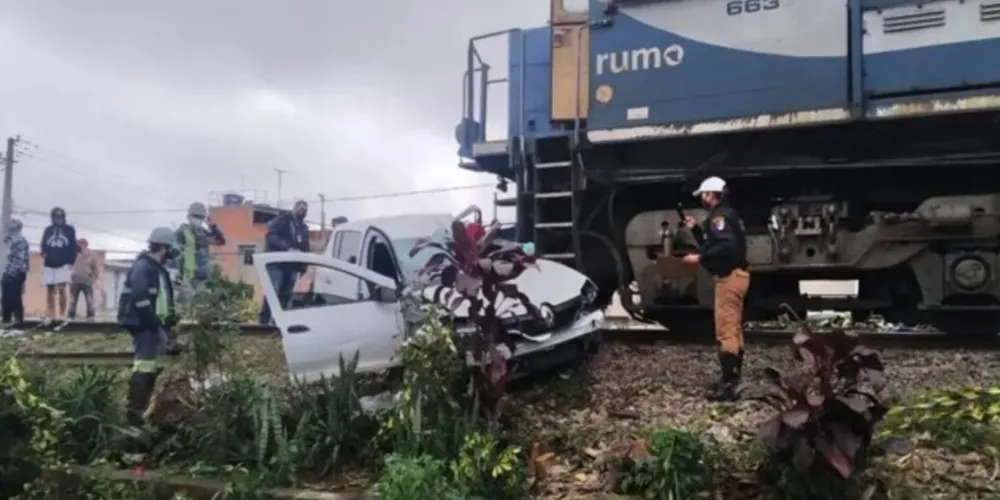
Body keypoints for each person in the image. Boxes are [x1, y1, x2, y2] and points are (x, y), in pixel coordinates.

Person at [680, 176, 750, 402]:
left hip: (729, 278)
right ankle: (733, 378)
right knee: (734, 328)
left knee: (726, 330)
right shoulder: (727, 215)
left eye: (703, 194)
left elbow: (726, 246)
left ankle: (728, 386)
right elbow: (718, 242)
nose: (702, 198)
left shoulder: (719, 217)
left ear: (711, 194)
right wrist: (697, 231)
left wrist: (699, 257)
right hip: (737, 275)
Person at [117, 227, 180, 426]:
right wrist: (153, 322)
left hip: (154, 324)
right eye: (170, 248)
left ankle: (143, 413)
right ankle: (135, 416)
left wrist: (168, 321)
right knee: (145, 366)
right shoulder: (144, 267)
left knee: (152, 366)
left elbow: (160, 297)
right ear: (163, 247)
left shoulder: (155, 268)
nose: (172, 252)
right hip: (145, 324)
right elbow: (140, 298)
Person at [258, 200, 310, 325]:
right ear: (294, 208)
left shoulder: (303, 228)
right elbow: (271, 236)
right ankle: (263, 323)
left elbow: (305, 247)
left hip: (292, 266)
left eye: (305, 210)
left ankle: (277, 324)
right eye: (300, 209)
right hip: (277, 263)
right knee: (273, 293)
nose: (302, 212)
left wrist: (304, 266)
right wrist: (287, 248)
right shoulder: (283, 220)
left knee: (285, 295)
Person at [173, 202, 226, 302]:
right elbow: (173, 253)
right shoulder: (181, 232)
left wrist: (212, 226)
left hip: (201, 276)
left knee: (202, 303)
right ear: (189, 216)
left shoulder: (202, 233)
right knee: (187, 303)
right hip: (186, 277)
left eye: (200, 217)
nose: (198, 219)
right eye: (196, 216)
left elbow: (220, 241)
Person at [40, 207, 78, 326]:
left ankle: (62, 314)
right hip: (49, 263)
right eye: (56, 217)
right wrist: (44, 254)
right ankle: (51, 314)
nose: (58, 219)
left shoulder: (70, 230)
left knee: (62, 289)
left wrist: (70, 262)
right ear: (53, 218)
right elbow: (43, 244)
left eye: (60, 217)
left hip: (64, 263)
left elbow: (73, 247)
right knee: (50, 290)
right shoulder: (48, 230)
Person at [1, 218, 29, 330]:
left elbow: (20, 259)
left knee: (13, 296)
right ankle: (7, 319)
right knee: (7, 297)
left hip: (15, 272)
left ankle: (16, 320)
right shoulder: (10, 240)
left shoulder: (18, 240)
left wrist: (12, 273)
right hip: (11, 271)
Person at [68, 238, 99, 321]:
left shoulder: (91, 255)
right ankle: (71, 316)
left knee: (89, 299)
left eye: (79, 244)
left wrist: (95, 278)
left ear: (84, 245)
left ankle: (90, 316)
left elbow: (95, 268)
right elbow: (68, 265)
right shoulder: (73, 254)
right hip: (74, 280)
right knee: (72, 299)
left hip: (87, 280)